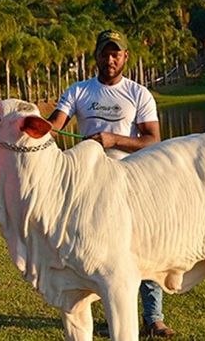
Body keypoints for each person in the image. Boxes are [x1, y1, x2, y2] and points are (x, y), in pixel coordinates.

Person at [48, 29, 175, 338]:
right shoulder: (78, 91)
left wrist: (112, 139)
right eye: (105, 53)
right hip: (88, 184)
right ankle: (108, 314)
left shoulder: (137, 94)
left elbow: (153, 140)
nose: (110, 59)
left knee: (142, 246)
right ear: (96, 55)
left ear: (125, 57)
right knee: (91, 251)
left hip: (133, 180)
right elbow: (54, 126)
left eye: (116, 53)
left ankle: (153, 318)